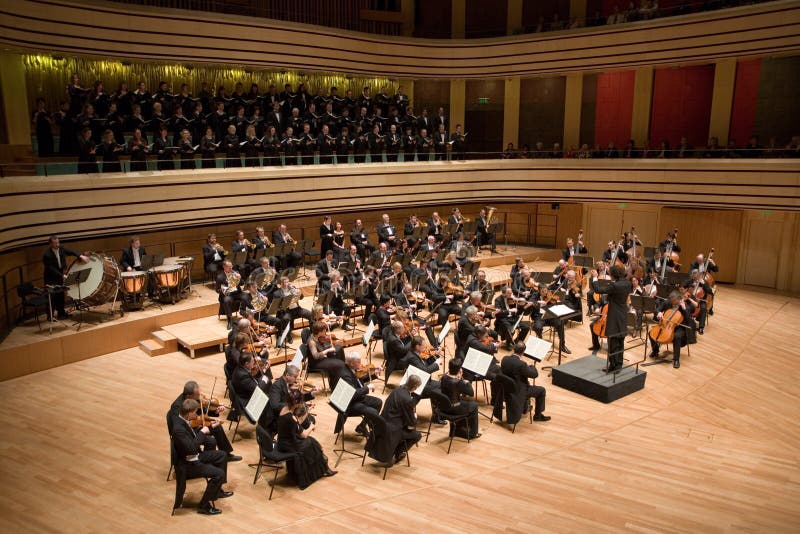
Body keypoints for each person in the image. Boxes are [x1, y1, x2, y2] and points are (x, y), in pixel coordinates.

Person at [171, 399, 233, 515]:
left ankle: (217, 490)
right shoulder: (178, 429)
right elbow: (191, 449)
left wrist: (210, 428)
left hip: (194, 457)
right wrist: (203, 432)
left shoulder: (184, 420)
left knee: (222, 455)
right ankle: (203, 506)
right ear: (189, 413)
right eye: (195, 412)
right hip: (188, 464)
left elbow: (194, 440)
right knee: (218, 474)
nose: (197, 414)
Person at [169, 380, 241, 462]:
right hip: (187, 431)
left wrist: (215, 411)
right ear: (189, 396)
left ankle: (226, 454)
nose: (199, 396)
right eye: (197, 395)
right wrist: (200, 426)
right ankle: (206, 460)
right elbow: (179, 425)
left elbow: (203, 410)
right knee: (211, 440)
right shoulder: (177, 406)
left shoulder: (194, 398)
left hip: (195, 424)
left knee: (217, 427)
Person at [276, 395, 337, 489]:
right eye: (300, 403)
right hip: (289, 444)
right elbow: (303, 434)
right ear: (296, 404)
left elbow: (297, 424)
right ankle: (322, 471)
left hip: (283, 441)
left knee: (311, 442)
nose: (301, 404)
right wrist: (311, 427)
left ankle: (324, 470)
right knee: (313, 444)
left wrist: (307, 411)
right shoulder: (290, 417)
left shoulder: (284, 409)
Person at [589, 264, 631, 371]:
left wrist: (595, 277)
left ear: (613, 275)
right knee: (620, 341)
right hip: (623, 314)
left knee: (612, 342)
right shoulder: (627, 283)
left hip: (614, 315)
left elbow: (598, 290)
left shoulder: (615, 286)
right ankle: (619, 365)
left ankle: (613, 366)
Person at [374, 374, 422, 465]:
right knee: (417, 435)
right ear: (415, 387)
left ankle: (396, 451)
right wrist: (415, 416)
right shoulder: (407, 400)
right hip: (393, 430)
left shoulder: (396, 390)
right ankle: (397, 452)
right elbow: (411, 422)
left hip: (383, 423)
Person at [334, 352, 384, 436]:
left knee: (378, 402)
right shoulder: (345, 375)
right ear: (352, 363)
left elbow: (359, 380)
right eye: (359, 362)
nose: (361, 364)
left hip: (357, 399)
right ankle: (374, 431)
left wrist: (374, 374)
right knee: (373, 411)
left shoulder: (352, 369)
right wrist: (367, 388)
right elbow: (352, 394)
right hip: (349, 404)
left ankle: (362, 426)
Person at [498, 343, 551, 422]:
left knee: (525, 382)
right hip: (518, 390)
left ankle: (525, 407)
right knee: (541, 390)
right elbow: (534, 375)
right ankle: (538, 416)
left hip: (506, 388)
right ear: (523, 352)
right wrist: (532, 366)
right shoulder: (521, 364)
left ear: (513, 349)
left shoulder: (505, 358)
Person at [42, 235, 89, 320]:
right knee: (51, 297)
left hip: (59, 274)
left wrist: (80, 256)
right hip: (50, 277)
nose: (57, 244)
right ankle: (50, 316)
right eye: (55, 243)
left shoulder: (61, 249)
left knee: (60, 295)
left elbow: (71, 252)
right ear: (50, 244)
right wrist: (62, 275)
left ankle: (61, 313)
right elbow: (50, 268)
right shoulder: (47, 255)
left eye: (58, 242)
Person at [648, 290, 692, 369]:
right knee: (651, 333)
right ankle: (655, 351)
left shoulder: (685, 306)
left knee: (677, 336)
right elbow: (656, 310)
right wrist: (659, 313)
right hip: (665, 324)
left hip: (679, 327)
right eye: (671, 301)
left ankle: (676, 359)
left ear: (679, 299)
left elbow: (689, 321)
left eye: (674, 301)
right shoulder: (667, 302)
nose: (672, 303)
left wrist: (684, 309)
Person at [440, 359, 481, 439]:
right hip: (453, 408)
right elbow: (471, 393)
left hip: (444, 406)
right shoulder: (459, 382)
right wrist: (465, 381)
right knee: (474, 404)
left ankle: (457, 430)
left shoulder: (443, 377)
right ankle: (473, 433)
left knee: (464, 401)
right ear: (459, 370)